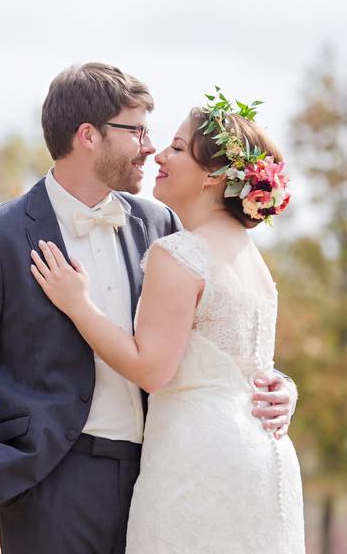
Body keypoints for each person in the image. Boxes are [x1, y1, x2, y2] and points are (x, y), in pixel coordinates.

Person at [0, 64, 298, 553]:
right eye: (137, 130)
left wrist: (278, 386)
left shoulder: (162, 223)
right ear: (88, 135)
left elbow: (210, 319)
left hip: (165, 473)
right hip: (49, 484)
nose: (149, 146)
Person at [30, 97, 304, 552]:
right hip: (263, 459)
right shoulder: (250, 256)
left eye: (177, 148)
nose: (159, 155)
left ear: (214, 176)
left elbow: (152, 370)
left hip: (195, 461)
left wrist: (79, 306)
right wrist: (286, 387)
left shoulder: (179, 253)